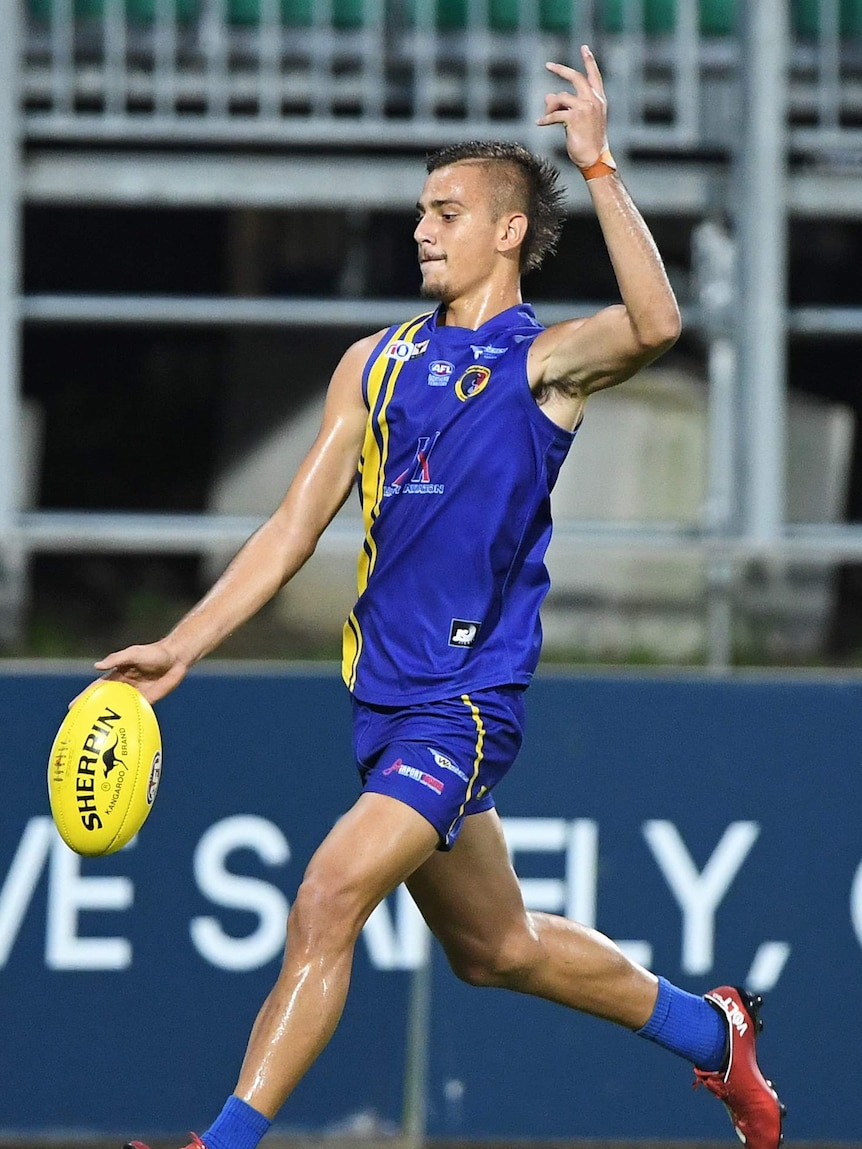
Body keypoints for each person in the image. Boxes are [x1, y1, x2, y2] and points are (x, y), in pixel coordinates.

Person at [96, 48, 784, 1149]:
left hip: (462, 706)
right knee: (495, 951)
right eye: (421, 209)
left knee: (326, 898)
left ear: (507, 232)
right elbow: (290, 528)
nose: (423, 227)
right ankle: (713, 1035)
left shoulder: (543, 365)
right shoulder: (371, 364)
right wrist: (183, 646)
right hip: (382, 706)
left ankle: (214, 1148)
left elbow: (655, 324)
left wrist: (598, 167)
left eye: (448, 211)